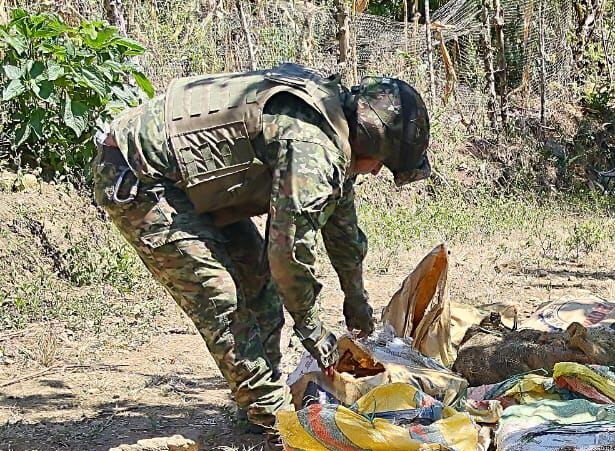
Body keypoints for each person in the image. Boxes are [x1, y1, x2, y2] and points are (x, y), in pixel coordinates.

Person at [92, 63, 430, 432]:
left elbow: (343, 232)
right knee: (224, 302)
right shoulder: (312, 148)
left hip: (194, 186)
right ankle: (278, 427)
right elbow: (288, 253)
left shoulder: (332, 126)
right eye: (381, 162)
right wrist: (313, 330)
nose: (377, 171)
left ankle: (258, 410)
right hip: (141, 177)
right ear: (371, 138)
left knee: (261, 291)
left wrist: (357, 302)